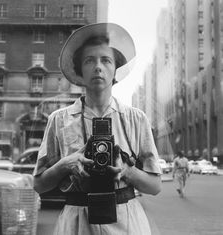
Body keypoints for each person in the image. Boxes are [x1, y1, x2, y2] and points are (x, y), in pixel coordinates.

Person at [33, 23, 162, 235]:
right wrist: (66, 164)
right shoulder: (59, 119)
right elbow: (38, 185)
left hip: (127, 221)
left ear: (115, 70)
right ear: (79, 71)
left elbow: (155, 186)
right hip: (76, 222)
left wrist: (126, 172)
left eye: (106, 60)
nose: (98, 67)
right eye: (89, 60)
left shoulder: (136, 119)